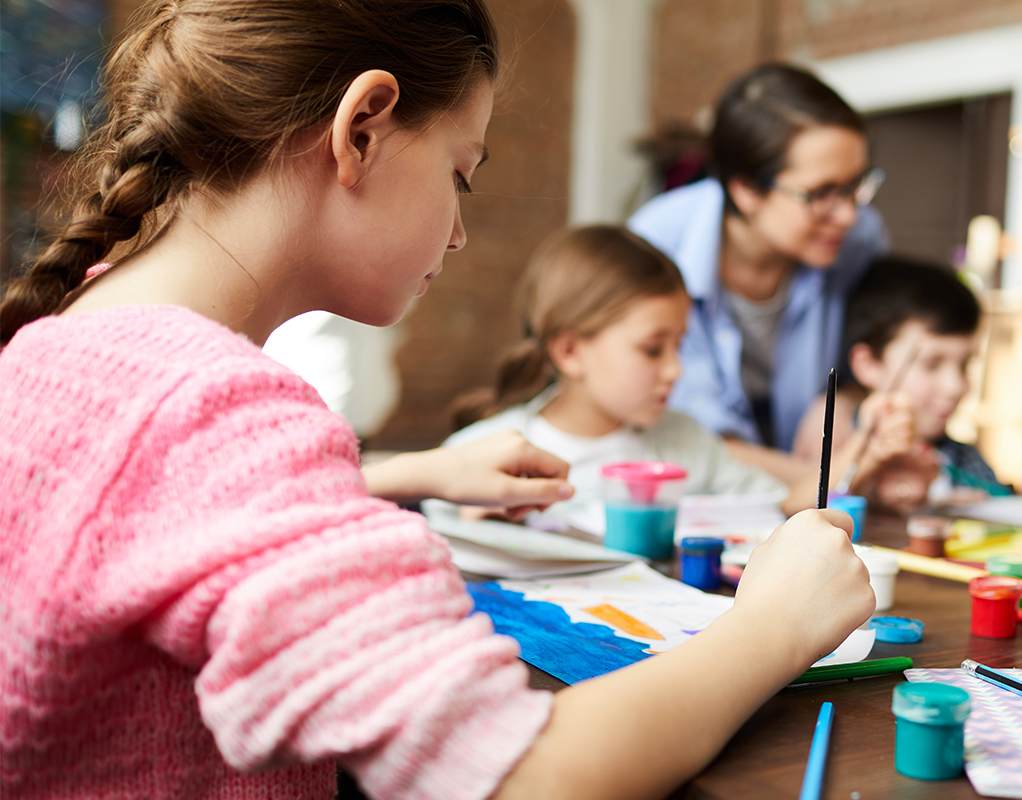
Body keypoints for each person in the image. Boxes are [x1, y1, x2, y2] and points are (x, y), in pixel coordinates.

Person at [0, 2, 875, 799]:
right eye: (462, 173)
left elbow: (141, 524)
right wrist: (774, 625)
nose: (459, 230)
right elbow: (525, 778)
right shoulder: (208, 408)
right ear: (363, 127)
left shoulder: (83, 341)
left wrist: (403, 472)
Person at [445, 224, 914, 522]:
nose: (675, 369)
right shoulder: (484, 456)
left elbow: (790, 505)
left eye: (679, 345)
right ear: (570, 351)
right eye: (652, 349)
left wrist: (863, 446)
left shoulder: (685, 442)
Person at [628, 63, 889, 481]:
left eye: (855, 186)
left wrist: (845, 395)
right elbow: (695, 439)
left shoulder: (860, 238)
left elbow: (882, 341)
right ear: (746, 189)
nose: (846, 214)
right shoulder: (656, 246)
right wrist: (836, 475)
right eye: (820, 193)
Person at [792, 257, 1022, 509]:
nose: (955, 386)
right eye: (931, 364)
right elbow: (798, 506)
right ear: (868, 364)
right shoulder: (838, 433)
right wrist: (871, 459)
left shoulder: (960, 456)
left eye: (965, 365)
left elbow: (1002, 505)